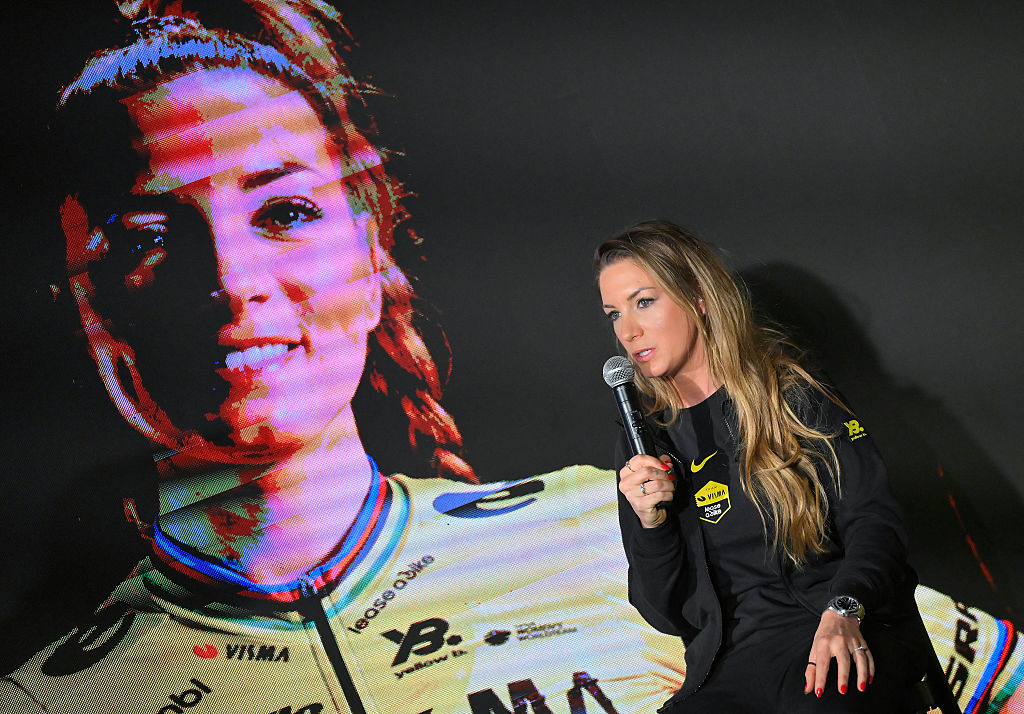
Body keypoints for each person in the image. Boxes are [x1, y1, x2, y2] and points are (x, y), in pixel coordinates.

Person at [0, 3, 693, 713]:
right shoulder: (53, 702)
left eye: (285, 213)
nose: (234, 283)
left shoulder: (601, 531)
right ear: (77, 303)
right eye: (148, 235)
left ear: (371, 260)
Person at [595, 220, 942, 713]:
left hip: (830, 635)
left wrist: (845, 609)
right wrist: (652, 527)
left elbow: (875, 520)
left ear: (698, 297)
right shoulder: (644, 441)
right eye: (613, 314)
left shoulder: (792, 393)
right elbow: (665, 614)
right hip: (727, 668)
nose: (628, 331)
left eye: (644, 302)